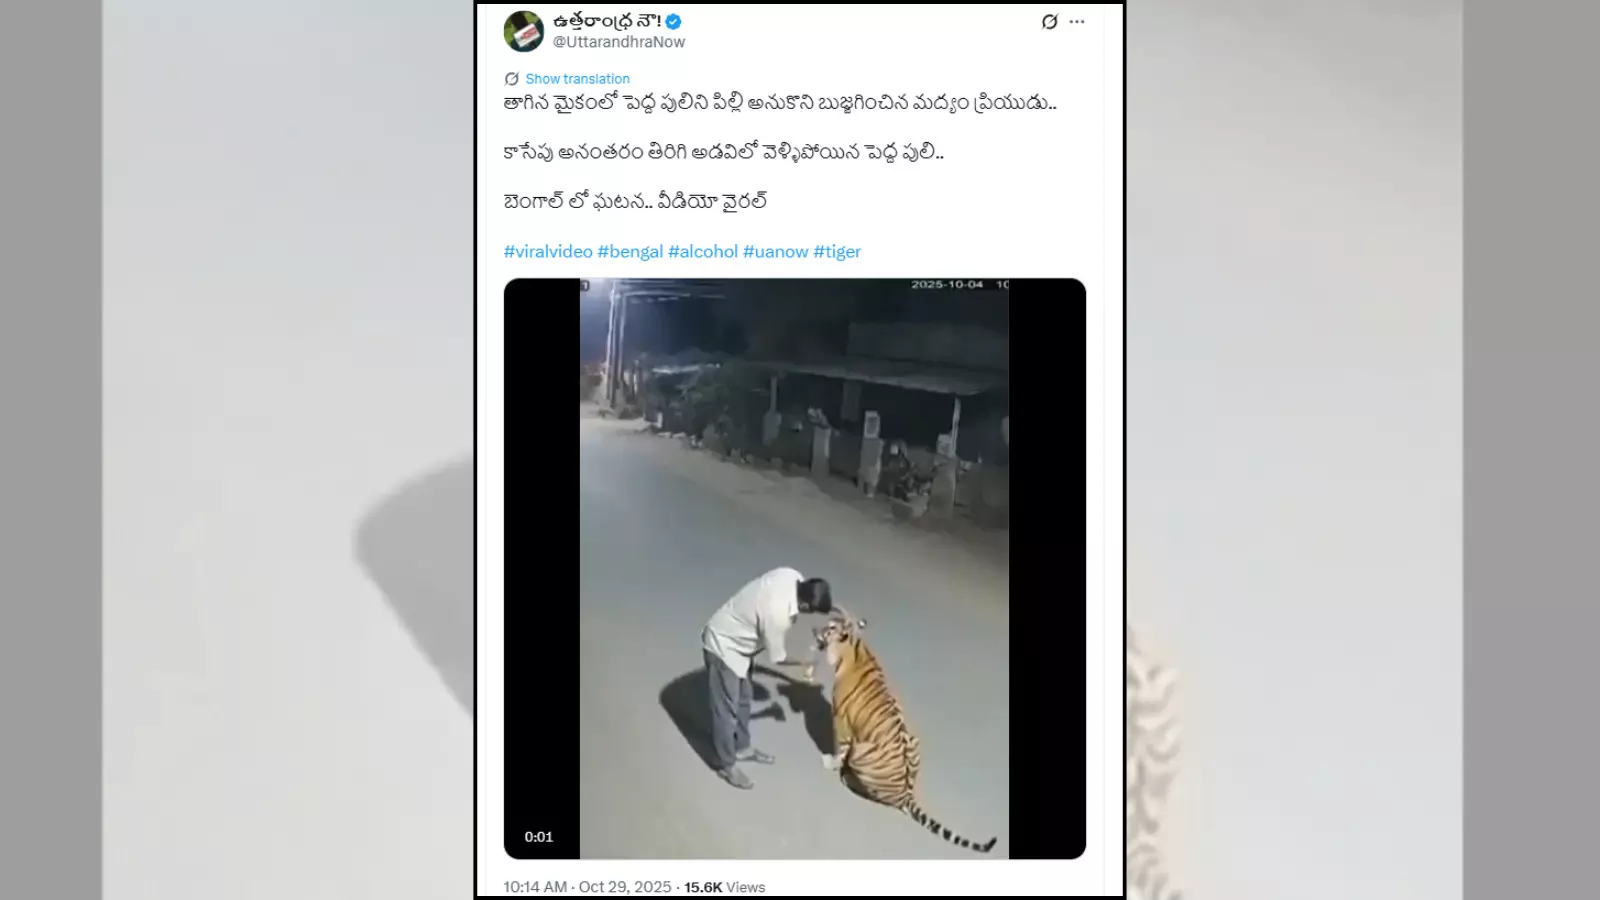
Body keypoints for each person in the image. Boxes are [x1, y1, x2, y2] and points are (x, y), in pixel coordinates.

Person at [700, 567, 834, 789]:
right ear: (804, 606)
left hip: (742, 646)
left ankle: (742, 747)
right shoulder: (777, 615)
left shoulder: (791, 575)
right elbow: (778, 658)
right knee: (726, 710)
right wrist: (804, 663)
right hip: (723, 645)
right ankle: (725, 764)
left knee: (744, 698)